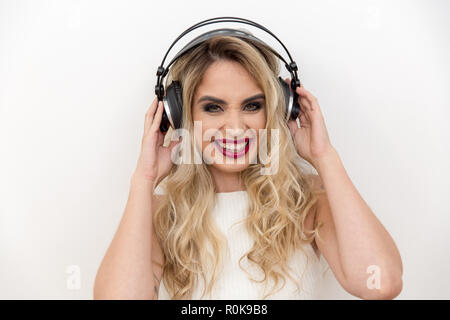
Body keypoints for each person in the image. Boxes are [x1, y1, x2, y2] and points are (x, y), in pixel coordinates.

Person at [94, 35, 403, 300]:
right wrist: (144, 179)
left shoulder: (306, 197)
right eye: (213, 108)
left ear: (278, 109)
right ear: (179, 115)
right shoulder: (162, 212)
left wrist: (324, 156)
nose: (235, 127)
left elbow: (381, 284)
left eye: (252, 106)